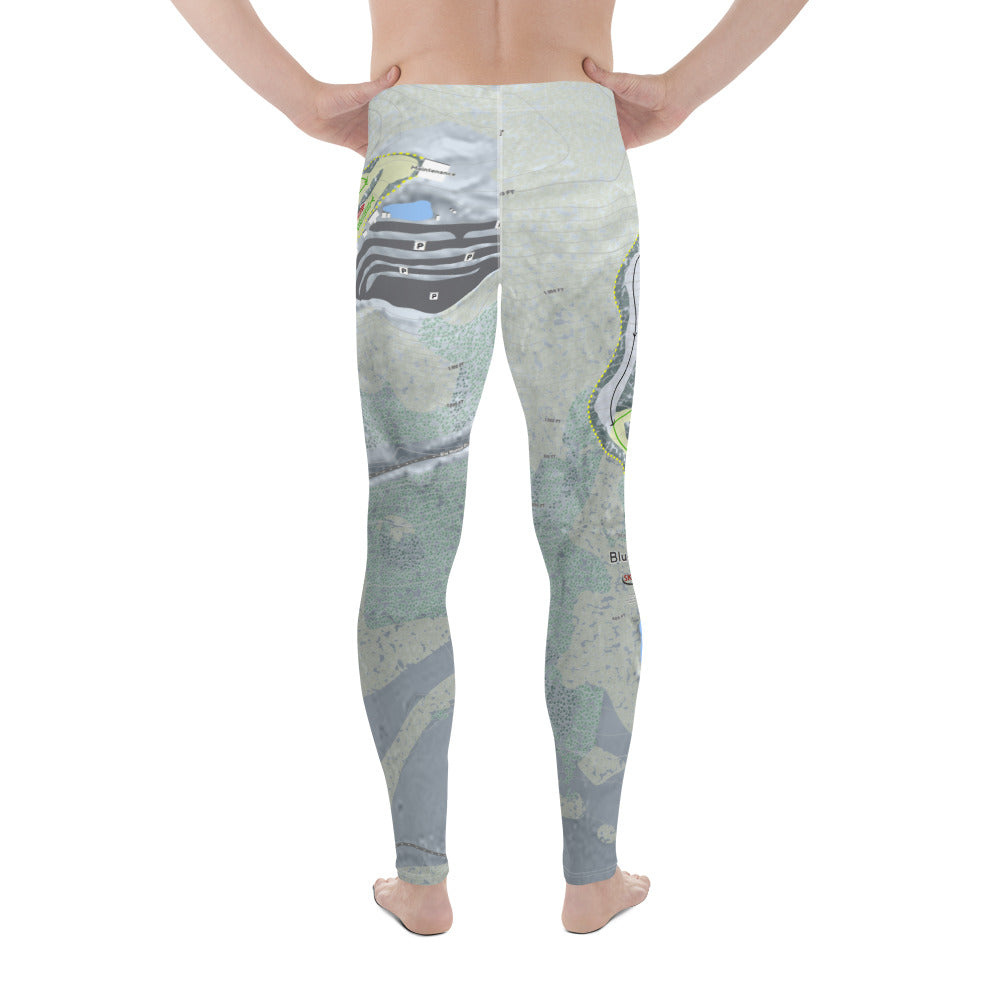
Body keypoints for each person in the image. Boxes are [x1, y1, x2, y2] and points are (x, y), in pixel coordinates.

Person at [169, 0, 810, 935]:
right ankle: (592, 879)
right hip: (577, 136)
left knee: (409, 526)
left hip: (422, 143)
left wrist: (299, 99)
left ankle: (420, 882)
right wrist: (683, 91)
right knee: (590, 525)